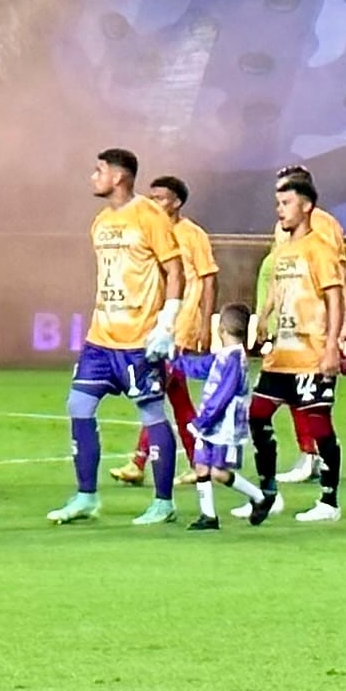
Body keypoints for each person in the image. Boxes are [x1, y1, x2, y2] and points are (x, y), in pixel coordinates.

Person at [48, 147, 185, 528]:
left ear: (119, 176)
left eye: (99, 170)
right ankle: (86, 496)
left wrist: (166, 322)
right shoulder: (99, 222)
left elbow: (175, 270)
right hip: (100, 338)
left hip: (138, 340)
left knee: (152, 413)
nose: (93, 177)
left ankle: (163, 501)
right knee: (78, 405)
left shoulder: (149, 216)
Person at [244, 169, 346, 525]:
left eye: (286, 203)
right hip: (281, 356)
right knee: (256, 416)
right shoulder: (284, 250)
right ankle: (269, 493)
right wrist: (262, 318)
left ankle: (329, 501)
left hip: (311, 354)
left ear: (305, 206)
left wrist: (332, 345)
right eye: (278, 203)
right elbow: (275, 289)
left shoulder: (320, 248)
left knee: (320, 426)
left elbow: (335, 296)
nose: (280, 210)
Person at [116, 175, 218, 491]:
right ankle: (200, 463)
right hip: (159, 326)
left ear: (176, 202)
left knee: (155, 390)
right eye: (151, 196)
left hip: (181, 327)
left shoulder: (192, 235)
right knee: (178, 399)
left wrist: (204, 323)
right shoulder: (152, 231)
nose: (153, 202)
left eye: (159, 197)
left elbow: (209, 279)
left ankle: (138, 462)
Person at [186, 304, 269, 529]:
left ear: (221, 328)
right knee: (202, 466)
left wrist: (203, 421)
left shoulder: (234, 359)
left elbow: (223, 395)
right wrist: (173, 359)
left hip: (225, 425)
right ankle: (208, 516)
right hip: (210, 422)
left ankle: (260, 498)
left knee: (220, 473)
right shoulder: (225, 355)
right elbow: (200, 367)